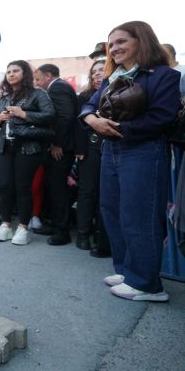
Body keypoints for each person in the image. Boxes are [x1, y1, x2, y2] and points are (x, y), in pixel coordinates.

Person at [80, 21, 180, 302]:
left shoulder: (164, 76)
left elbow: (162, 118)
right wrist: (92, 119)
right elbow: (89, 105)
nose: (115, 48)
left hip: (144, 150)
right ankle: (127, 271)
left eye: (121, 42)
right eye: (112, 44)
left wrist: (115, 129)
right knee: (112, 210)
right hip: (111, 150)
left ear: (142, 41)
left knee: (140, 215)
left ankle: (148, 284)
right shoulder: (114, 76)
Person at [0, 60, 55, 246]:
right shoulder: (3, 97)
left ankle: (23, 228)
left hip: (28, 147)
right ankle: (5, 225)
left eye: (15, 71)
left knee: (23, 188)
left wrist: (23, 114)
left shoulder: (38, 94)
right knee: (4, 187)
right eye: (8, 71)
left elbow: (50, 116)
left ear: (24, 73)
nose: (11, 74)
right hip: (5, 146)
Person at [33, 63, 78, 245]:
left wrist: (57, 143)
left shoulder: (58, 87)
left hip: (61, 148)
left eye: (38, 79)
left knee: (58, 189)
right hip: (56, 146)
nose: (37, 83)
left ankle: (62, 231)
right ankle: (55, 223)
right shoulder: (59, 87)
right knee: (52, 187)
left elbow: (65, 116)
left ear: (48, 76)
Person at [74, 59, 109, 255]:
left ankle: (102, 237)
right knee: (87, 191)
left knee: (107, 194)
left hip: (112, 147)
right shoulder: (85, 96)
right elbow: (77, 124)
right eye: (94, 71)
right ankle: (82, 233)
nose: (97, 74)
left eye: (101, 70)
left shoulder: (119, 91)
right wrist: (80, 148)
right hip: (89, 148)